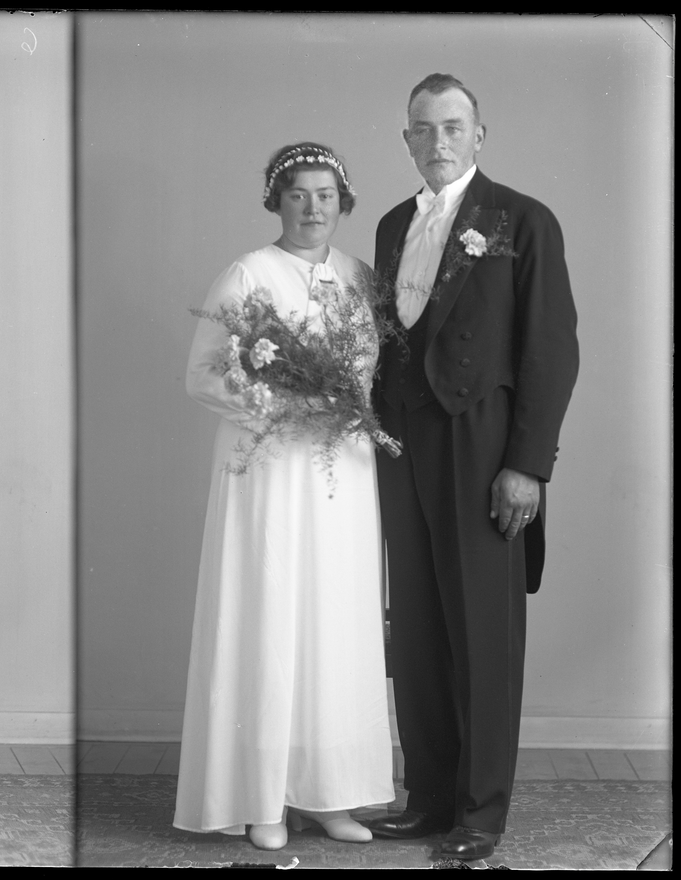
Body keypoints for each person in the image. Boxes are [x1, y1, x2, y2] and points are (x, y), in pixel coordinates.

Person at [369, 74, 579, 861]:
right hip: (403, 445)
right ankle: (428, 799)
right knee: (418, 630)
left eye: (453, 126)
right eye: (423, 129)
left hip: (483, 446)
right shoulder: (393, 224)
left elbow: (551, 351)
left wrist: (527, 465)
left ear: (479, 134)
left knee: (483, 634)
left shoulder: (523, 219)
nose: (439, 142)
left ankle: (481, 813)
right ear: (407, 140)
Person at [174, 143, 395, 851]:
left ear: (343, 203)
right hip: (270, 465)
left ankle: (330, 793)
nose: (312, 208)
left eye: (325, 195)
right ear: (277, 200)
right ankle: (262, 798)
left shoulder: (359, 278)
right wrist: (287, 404)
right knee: (269, 612)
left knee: (336, 619)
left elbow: (375, 371)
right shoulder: (249, 274)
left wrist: (346, 405)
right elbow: (205, 373)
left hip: (341, 471)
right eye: (298, 194)